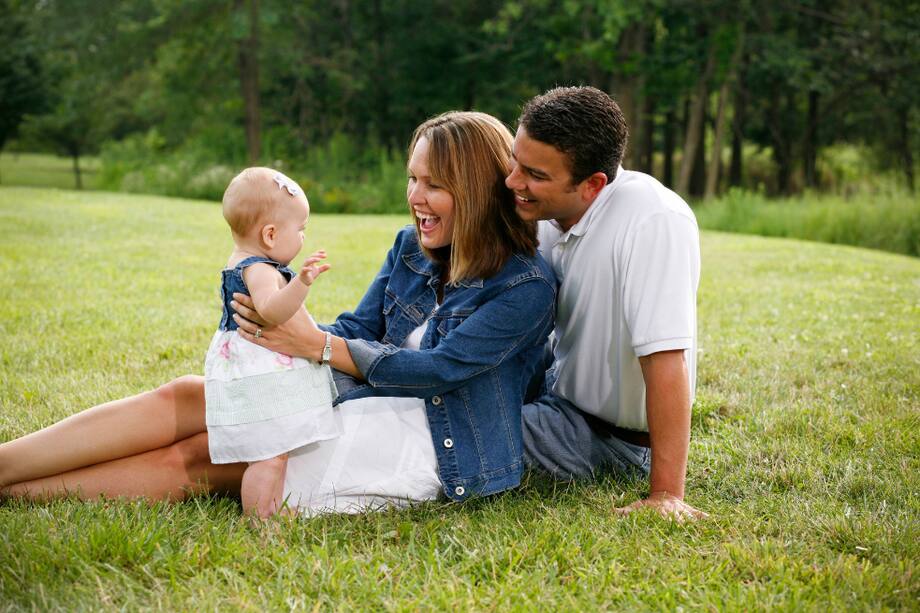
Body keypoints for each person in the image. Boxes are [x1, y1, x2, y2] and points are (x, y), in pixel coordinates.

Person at [0, 111, 556, 516]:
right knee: (186, 394)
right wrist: (277, 335)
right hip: (363, 393)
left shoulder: (525, 287)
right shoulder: (411, 247)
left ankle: (14, 495)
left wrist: (315, 345)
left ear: (475, 191)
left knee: (204, 456)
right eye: (413, 177)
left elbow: (440, 370)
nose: (415, 196)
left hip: (436, 436)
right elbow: (357, 330)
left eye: (435, 185)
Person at [506, 86, 708, 521]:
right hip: (553, 391)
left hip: (608, 438)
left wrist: (666, 495)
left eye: (534, 175)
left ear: (592, 185)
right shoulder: (545, 211)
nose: (513, 182)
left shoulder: (653, 220)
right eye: (514, 162)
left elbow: (666, 358)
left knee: (460, 431)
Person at [205, 167, 339, 518]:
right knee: (269, 454)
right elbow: (271, 310)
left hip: (252, 368)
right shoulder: (260, 269)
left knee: (274, 452)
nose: (303, 237)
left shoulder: (244, 260)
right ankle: (262, 518)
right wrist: (301, 283)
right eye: (301, 229)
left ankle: (272, 509)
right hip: (260, 375)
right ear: (270, 235)